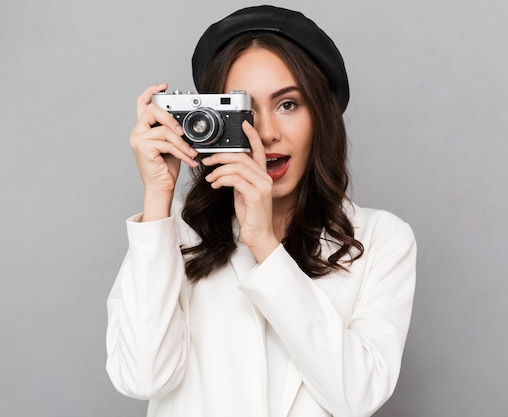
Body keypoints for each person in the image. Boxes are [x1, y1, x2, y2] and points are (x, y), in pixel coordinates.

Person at [106, 5, 416, 417]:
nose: (267, 132)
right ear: (214, 120)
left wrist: (265, 245)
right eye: (245, 110)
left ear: (321, 116)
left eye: (288, 104)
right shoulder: (175, 231)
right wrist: (157, 197)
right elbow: (141, 378)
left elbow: (357, 396)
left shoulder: (381, 238)